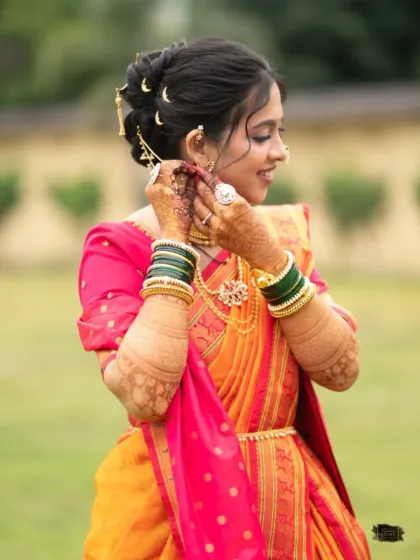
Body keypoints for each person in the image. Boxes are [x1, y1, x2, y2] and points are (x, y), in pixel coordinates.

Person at [77, 36, 370, 560]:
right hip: (169, 510)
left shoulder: (281, 235)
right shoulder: (118, 248)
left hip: (291, 511)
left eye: (280, 132)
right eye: (263, 134)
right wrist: (173, 240)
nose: (281, 150)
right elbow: (145, 394)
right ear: (199, 146)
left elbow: (341, 371)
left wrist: (265, 254)